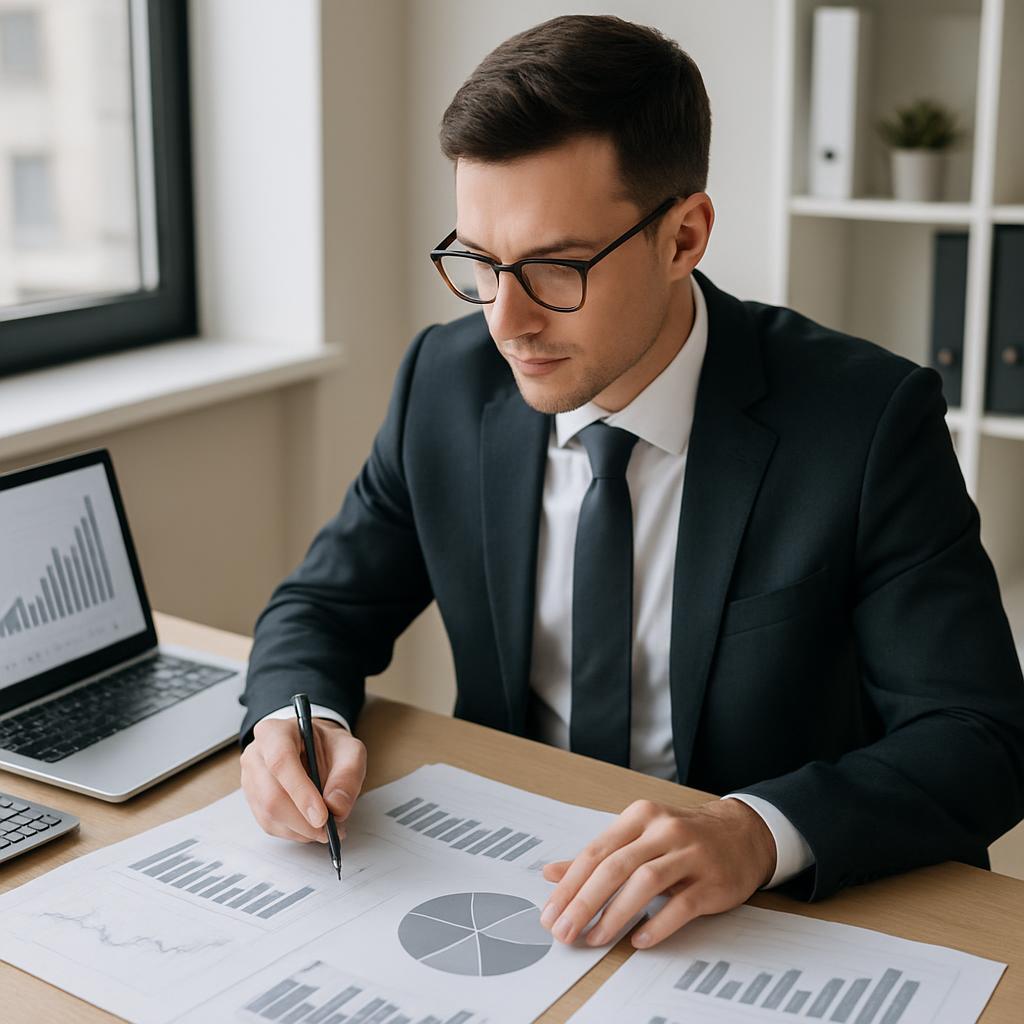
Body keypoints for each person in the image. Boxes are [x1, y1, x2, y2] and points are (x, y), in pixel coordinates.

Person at [238, 14, 1024, 950]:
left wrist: (758, 832)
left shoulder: (865, 420)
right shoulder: (443, 386)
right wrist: (296, 721)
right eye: (480, 263)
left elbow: (980, 738)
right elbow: (324, 606)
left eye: (555, 268)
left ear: (685, 235)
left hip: (754, 921)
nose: (506, 321)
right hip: (503, 882)